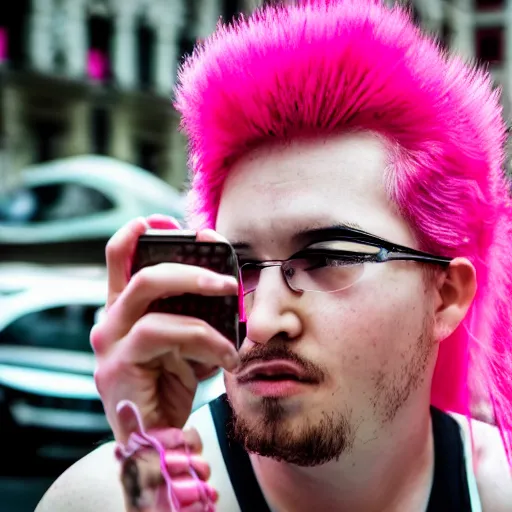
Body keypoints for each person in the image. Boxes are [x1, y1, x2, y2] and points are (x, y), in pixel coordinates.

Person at [37, 0, 512, 510]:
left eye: (327, 257)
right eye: (238, 266)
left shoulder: (496, 487)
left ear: (445, 296)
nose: (260, 322)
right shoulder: (107, 497)